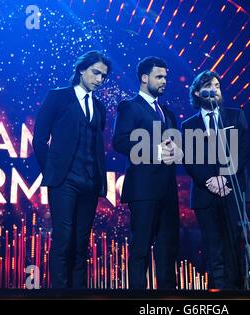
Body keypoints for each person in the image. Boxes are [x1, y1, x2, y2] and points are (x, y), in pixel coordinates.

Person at [33, 51, 111, 288]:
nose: (99, 79)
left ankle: (79, 293)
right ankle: (59, 293)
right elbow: (39, 139)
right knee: (63, 239)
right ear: (81, 70)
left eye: (103, 76)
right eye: (95, 72)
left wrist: (99, 180)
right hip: (64, 181)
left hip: (90, 182)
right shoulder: (58, 97)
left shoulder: (99, 107)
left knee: (81, 242)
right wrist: (53, 172)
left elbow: (96, 147)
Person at [113, 56, 182, 289]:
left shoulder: (168, 113)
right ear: (144, 78)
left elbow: (175, 147)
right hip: (143, 188)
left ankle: (167, 300)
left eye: (165, 77)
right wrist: (155, 151)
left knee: (167, 248)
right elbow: (120, 142)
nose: (164, 81)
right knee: (141, 247)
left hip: (167, 190)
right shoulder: (129, 106)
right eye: (159, 76)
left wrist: (177, 152)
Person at [181, 70, 250, 289]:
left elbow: (243, 150)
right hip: (204, 194)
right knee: (213, 247)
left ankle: (238, 291)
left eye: (217, 85)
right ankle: (219, 293)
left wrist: (224, 178)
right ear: (198, 93)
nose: (214, 90)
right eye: (208, 87)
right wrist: (209, 181)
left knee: (234, 245)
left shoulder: (235, 115)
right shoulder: (188, 125)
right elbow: (189, 160)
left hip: (232, 192)